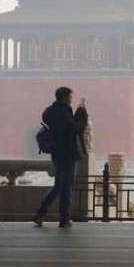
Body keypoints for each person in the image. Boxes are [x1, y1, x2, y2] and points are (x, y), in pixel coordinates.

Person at [33, 87, 88, 228]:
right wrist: (82, 112)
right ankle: (65, 218)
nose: (71, 100)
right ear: (64, 98)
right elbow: (77, 129)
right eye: (70, 97)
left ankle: (40, 213)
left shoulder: (50, 112)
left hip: (57, 154)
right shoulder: (63, 112)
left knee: (58, 186)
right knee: (66, 187)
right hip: (68, 154)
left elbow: (68, 128)